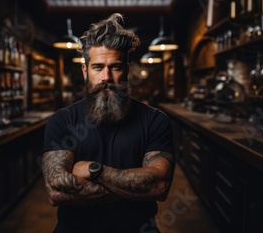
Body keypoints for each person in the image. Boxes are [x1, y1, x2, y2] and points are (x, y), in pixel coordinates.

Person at [42, 13, 175, 233]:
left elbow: (159, 186)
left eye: (115, 67)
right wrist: (135, 187)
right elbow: (57, 191)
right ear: (85, 71)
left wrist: (96, 171)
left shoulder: (155, 120)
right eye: (97, 67)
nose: (106, 77)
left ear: (127, 69)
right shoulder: (62, 121)